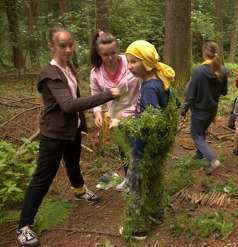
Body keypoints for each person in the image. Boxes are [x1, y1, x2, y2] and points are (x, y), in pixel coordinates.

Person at [16, 27, 121, 247]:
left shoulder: (67, 68)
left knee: (73, 164)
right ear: (51, 47)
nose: (67, 49)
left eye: (70, 44)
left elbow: (75, 96)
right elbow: (68, 104)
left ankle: (80, 192)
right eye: (62, 45)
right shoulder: (50, 74)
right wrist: (106, 95)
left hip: (71, 129)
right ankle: (23, 227)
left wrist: (84, 122)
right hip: (54, 133)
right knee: (42, 178)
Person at [120, 40, 177, 240]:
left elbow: (151, 122)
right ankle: (157, 213)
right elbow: (169, 109)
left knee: (133, 186)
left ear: (146, 61)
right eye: (128, 62)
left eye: (134, 61)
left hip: (143, 148)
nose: (129, 67)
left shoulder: (150, 88)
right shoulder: (159, 81)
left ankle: (137, 228)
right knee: (152, 179)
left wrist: (122, 125)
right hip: (155, 148)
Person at [89, 30, 140, 190]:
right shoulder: (96, 73)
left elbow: (144, 82)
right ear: (99, 53)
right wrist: (97, 113)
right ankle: (131, 186)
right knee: (125, 153)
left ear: (118, 49)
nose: (110, 58)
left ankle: (139, 187)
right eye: (105, 55)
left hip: (137, 117)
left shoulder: (130, 63)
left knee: (137, 155)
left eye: (113, 53)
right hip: (115, 121)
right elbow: (95, 94)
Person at [181, 41, 228, 175]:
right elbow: (224, 92)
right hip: (212, 110)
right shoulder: (222, 70)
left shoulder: (199, 71)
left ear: (204, 54)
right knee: (201, 131)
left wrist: (183, 110)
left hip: (199, 110)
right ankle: (199, 154)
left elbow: (190, 94)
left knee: (196, 135)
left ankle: (213, 160)